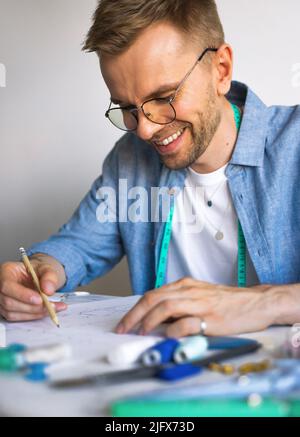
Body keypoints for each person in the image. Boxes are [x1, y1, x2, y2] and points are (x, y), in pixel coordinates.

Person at [1, 0, 300, 337]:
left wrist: (263, 302)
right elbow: (79, 244)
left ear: (221, 69)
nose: (144, 130)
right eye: (128, 107)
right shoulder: (130, 158)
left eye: (165, 96)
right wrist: (38, 273)